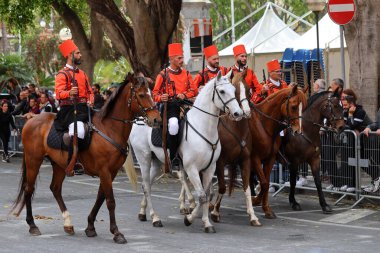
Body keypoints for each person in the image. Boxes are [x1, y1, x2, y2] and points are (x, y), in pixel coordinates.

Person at [152, 43, 198, 170]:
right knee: (173, 125)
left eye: (182, 58)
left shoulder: (187, 74)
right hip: (170, 107)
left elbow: (194, 91)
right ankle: (174, 157)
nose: (182, 61)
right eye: (179, 58)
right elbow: (154, 94)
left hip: (186, 104)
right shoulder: (162, 75)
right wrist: (161, 97)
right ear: (171, 59)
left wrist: (184, 94)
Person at [54, 39, 93, 176]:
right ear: (70, 55)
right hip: (68, 110)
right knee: (79, 131)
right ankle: (72, 163)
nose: (80, 55)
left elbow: (90, 92)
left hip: (83, 108)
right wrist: (69, 93)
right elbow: (58, 94)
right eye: (78, 53)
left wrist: (91, 100)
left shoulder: (82, 74)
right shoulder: (62, 74)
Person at [362, 108, 380, 192]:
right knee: (366, 160)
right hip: (376, 143)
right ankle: (375, 180)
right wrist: (368, 127)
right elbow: (377, 123)